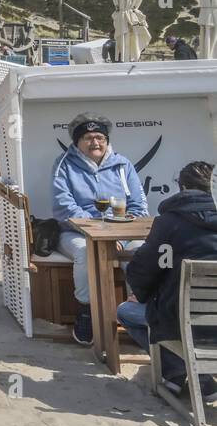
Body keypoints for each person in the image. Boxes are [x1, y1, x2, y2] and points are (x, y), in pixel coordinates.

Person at [118, 161, 217, 400]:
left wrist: (142, 295)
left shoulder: (169, 223)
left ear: (181, 187)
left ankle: (182, 373)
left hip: (184, 322)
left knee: (126, 312)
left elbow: (143, 269)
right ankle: (193, 378)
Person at [52, 112, 148, 345]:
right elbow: (64, 207)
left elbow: (139, 205)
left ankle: (137, 312)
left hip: (121, 233)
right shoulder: (64, 165)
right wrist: (100, 233)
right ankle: (86, 311)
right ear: (77, 142)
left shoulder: (123, 165)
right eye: (88, 137)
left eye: (99, 137)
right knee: (87, 253)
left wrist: (117, 235)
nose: (95, 142)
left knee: (143, 252)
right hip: (75, 233)